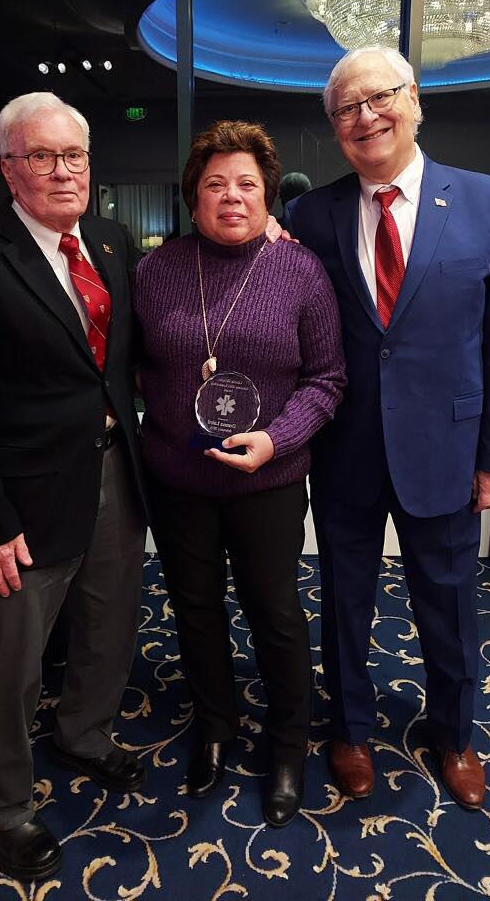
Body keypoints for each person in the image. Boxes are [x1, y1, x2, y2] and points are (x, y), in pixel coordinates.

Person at [284, 46, 490, 811]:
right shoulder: (309, 215)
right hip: (346, 452)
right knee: (344, 598)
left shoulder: (489, 201)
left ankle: (455, 735)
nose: (366, 118)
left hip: (449, 451)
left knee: (452, 601)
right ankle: (351, 729)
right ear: (334, 130)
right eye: (346, 110)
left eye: (379, 99)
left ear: (414, 99)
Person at [0, 92, 148, 882]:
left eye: (75, 156)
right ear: (9, 167)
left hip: (118, 474)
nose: (63, 172)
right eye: (43, 157)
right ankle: (5, 806)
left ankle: (85, 736)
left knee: (109, 626)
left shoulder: (115, 244)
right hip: (22, 502)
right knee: (11, 663)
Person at [133, 120, 345, 827]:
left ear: (268, 195)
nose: (231, 197)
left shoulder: (300, 269)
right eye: (215, 184)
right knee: (193, 609)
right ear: (193, 196)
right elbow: (131, 365)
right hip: (178, 479)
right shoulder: (156, 270)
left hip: (269, 481)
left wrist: (277, 438)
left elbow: (327, 378)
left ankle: (287, 746)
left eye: (247, 184)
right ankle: (216, 727)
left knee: (274, 612)